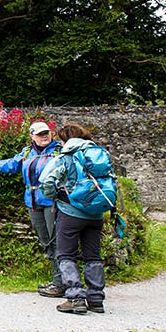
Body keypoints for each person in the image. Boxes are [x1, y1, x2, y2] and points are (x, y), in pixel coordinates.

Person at [0, 121, 64, 297]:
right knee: (45, 241)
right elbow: (10, 165)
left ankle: (61, 283)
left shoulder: (59, 151)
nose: (44, 136)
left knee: (57, 242)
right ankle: (58, 281)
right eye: (40, 134)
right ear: (32, 136)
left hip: (52, 202)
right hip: (33, 203)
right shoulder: (27, 153)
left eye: (46, 132)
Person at [37, 123, 108, 315]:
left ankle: (75, 298)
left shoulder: (66, 156)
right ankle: (96, 300)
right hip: (96, 214)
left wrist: (55, 196)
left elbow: (46, 180)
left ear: (65, 139)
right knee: (93, 255)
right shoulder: (98, 154)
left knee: (66, 254)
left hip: (70, 212)